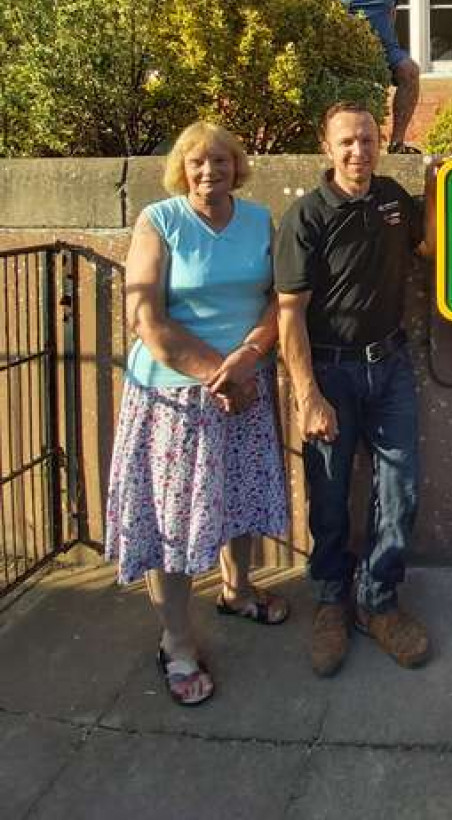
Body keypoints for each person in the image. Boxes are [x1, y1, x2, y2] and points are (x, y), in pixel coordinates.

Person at [105, 122, 289, 707]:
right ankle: (176, 640)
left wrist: (248, 359)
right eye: (197, 163)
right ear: (181, 170)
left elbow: (276, 302)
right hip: (175, 398)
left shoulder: (260, 220)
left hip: (245, 386)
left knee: (238, 497)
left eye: (221, 161)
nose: (210, 171)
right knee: (171, 521)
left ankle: (237, 590)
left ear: (238, 165)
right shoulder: (158, 222)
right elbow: (149, 324)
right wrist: (222, 373)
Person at [275, 102, 432, 677]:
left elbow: (431, 251)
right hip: (331, 373)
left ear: (380, 142)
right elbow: (289, 316)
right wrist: (306, 394)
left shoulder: (393, 199)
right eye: (346, 141)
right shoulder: (307, 217)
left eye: (366, 139)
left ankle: (378, 601)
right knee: (331, 493)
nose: (358, 151)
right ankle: (330, 602)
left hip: (390, 366)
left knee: (400, 489)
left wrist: (441, 192)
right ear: (327, 147)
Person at [327, 0, 421, 152]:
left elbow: (392, 12)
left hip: (385, 48)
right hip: (345, 52)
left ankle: (397, 142)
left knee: (410, 71)